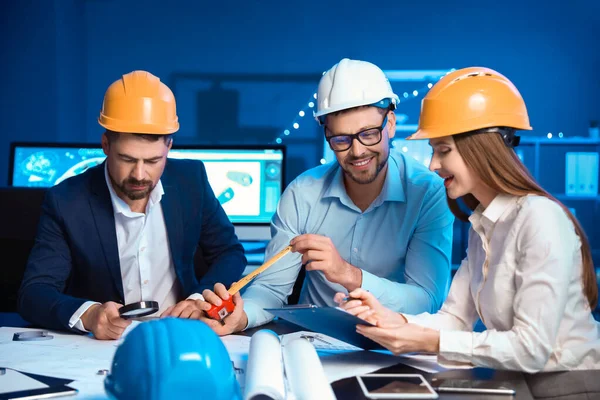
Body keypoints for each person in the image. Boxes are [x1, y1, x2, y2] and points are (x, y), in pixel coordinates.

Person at [337, 67, 600, 397]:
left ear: (483, 148)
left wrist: (428, 341)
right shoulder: (484, 226)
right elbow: (454, 319)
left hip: (573, 384)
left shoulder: (540, 219)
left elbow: (532, 348)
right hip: (521, 382)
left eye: (443, 150)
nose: (433, 164)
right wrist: (393, 320)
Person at [198, 58, 454, 335]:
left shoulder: (428, 193)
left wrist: (349, 275)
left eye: (368, 134)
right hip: (315, 345)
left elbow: (427, 301)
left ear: (390, 124)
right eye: (341, 140)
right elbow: (271, 288)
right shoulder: (302, 193)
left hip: (396, 345)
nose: (357, 152)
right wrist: (241, 317)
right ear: (327, 134)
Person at [18, 71, 246, 339]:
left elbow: (229, 253)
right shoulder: (65, 201)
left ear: (169, 146)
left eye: (152, 161)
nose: (139, 175)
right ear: (105, 144)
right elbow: (34, 293)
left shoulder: (191, 181)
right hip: (103, 347)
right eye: (126, 159)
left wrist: (199, 299)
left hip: (180, 336)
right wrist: (89, 315)